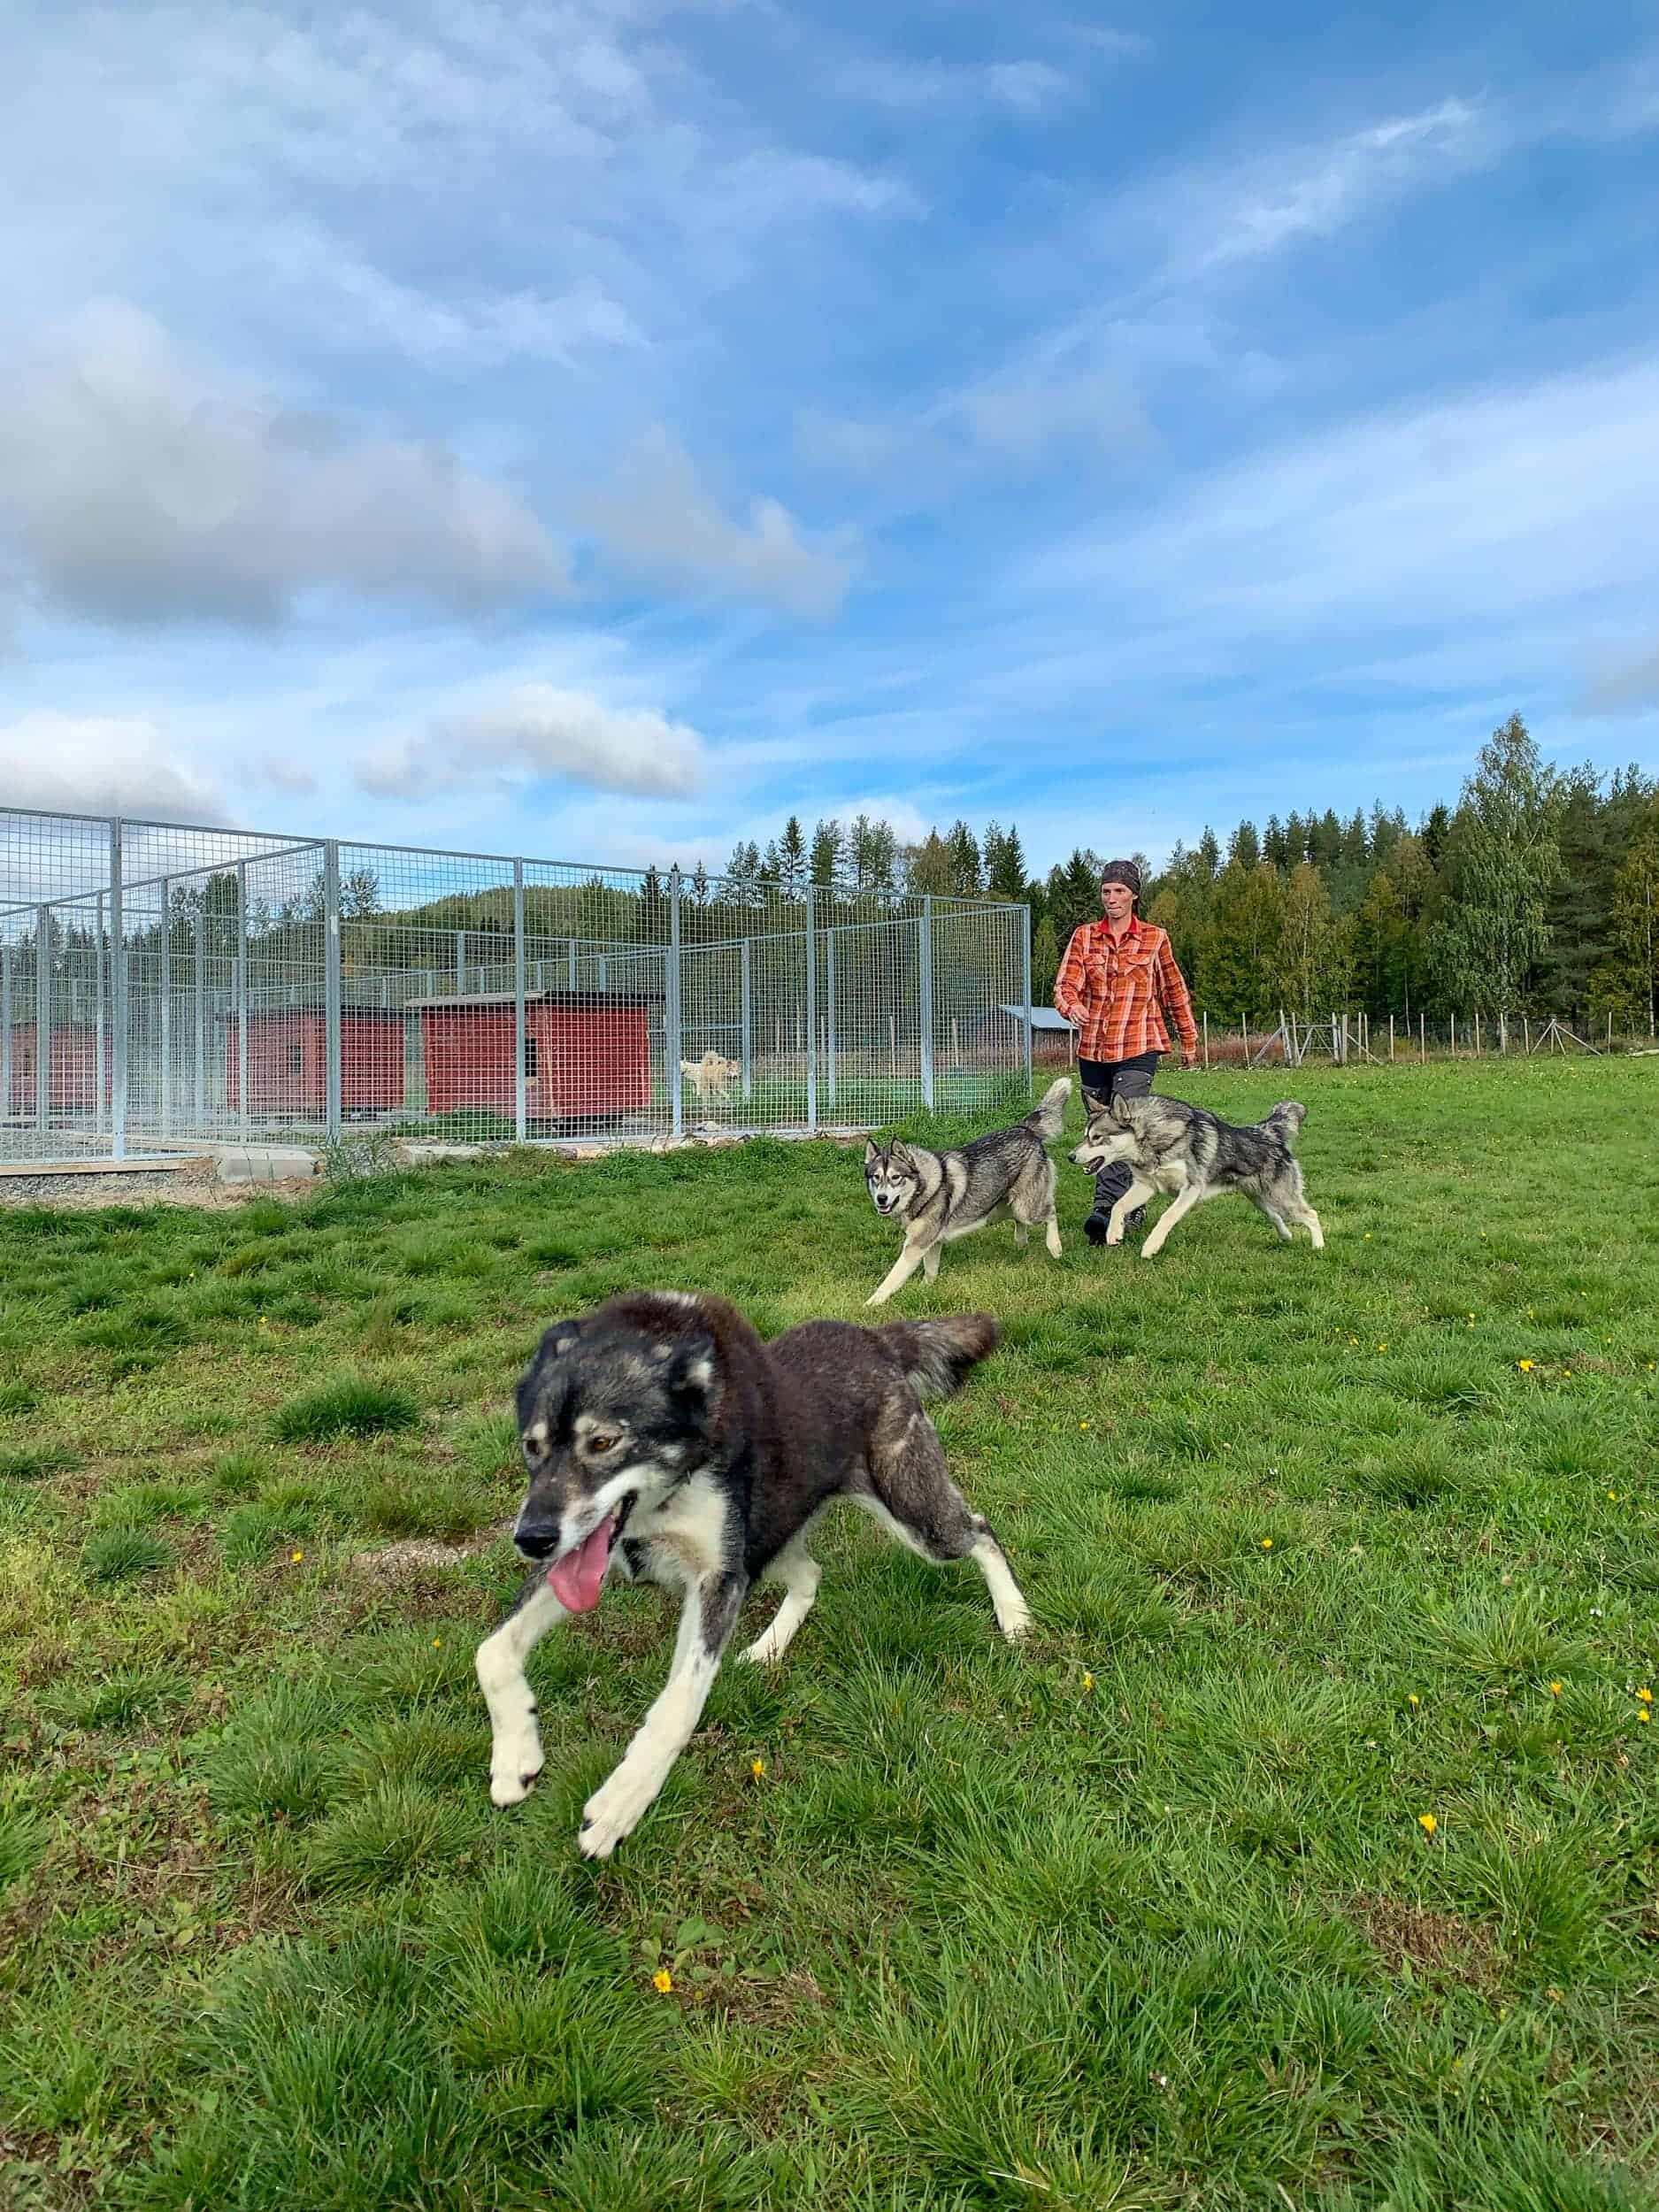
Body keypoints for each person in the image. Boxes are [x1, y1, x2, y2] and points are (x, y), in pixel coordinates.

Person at [1051, 859, 1199, 1244]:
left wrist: (1189, 1038)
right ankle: (1130, 1201)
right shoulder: (1085, 937)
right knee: (1102, 1130)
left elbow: (1173, 991)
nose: (1111, 898)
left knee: (1122, 1121)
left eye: (1119, 891)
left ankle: (1109, 1210)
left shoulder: (1154, 938)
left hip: (1138, 1044)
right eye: (1106, 891)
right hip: (1094, 1048)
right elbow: (1065, 984)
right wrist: (1072, 1006)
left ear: (1133, 895)